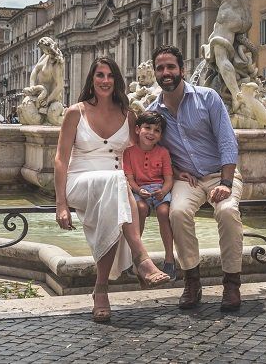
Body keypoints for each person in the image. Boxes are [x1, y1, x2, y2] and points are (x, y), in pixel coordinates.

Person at [54, 57, 170, 324]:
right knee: (117, 183)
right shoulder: (75, 112)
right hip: (80, 180)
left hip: (115, 185)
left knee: (116, 190)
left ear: (116, 80)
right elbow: (60, 158)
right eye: (99, 75)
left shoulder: (127, 114)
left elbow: (137, 151)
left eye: (110, 76)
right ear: (92, 80)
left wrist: (172, 171)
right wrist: (61, 204)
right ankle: (141, 259)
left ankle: (101, 289)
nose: (105, 81)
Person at [147, 45, 244, 312]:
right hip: (186, 179)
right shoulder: (153, 112)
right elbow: (152, 151)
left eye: (170, 67)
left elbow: (227, 140)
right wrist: (176, 173)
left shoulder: (208, 97)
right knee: (176, 213)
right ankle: (192, 280)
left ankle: (232, 282)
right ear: (155, 73)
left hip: (219, 174)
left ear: (182, 70)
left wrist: (225, 183)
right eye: (160, 68)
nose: (165, 73)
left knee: (227, 211)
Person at [123, 110, 176, 280]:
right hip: (139, 189)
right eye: (147, 128)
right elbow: (129, 178)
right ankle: (137, 258)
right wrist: (138, 190)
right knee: (140, 208)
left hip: (159, 189)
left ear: (161, 135)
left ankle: (169, 258)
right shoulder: (129, 153)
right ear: (137, 129)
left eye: (157, 130)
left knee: (163, 212)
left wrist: (164, 191)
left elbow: (169, 179)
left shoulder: (163, 152)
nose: (151, 133)